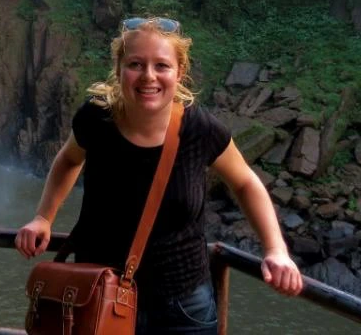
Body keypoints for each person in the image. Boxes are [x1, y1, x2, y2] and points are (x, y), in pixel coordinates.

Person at [15, 17, 303, 334]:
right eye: (136, 64)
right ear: (119, 68)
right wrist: (43, 217)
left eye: (161, 65)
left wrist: (276, 250)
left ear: (180, 72)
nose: (148, 76)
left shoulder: (200, 129)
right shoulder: (97, 119)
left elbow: (246, 183)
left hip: (183, 306)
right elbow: (68, 160)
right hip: (98, 294)